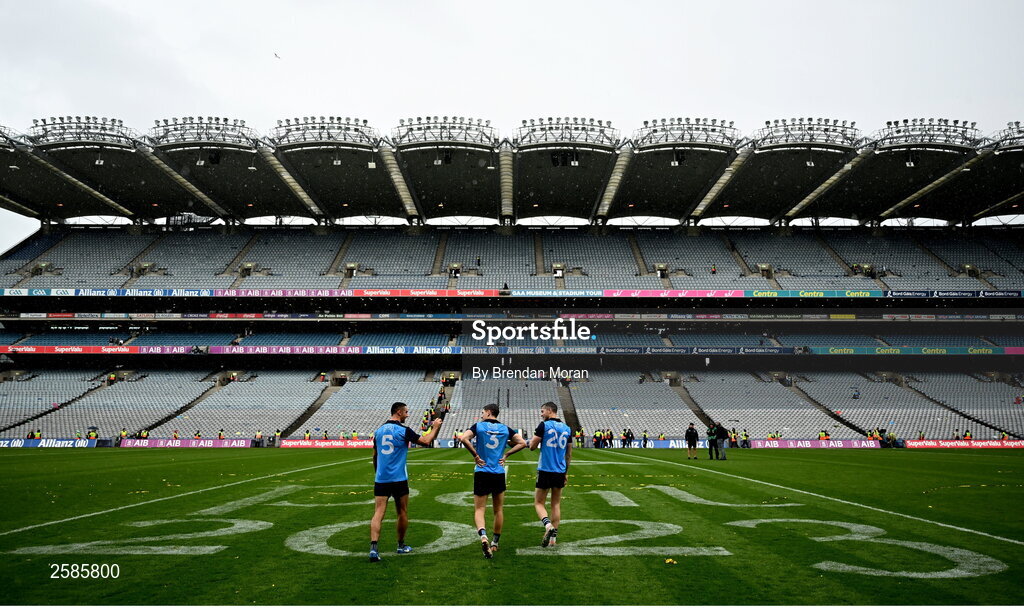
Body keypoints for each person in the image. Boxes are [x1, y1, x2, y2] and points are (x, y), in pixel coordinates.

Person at [369, 401, 445, 563]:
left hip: (381, 479)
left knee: (378, 513)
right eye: (406, 412)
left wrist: (378, 473)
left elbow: (374, 456)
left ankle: (374, 548)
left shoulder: (378, 431)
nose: (407, 415)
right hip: (398, 479)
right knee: (402, 512)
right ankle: (401, 545)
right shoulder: (403, 430)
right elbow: (425, 441)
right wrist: (436, 426)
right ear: (398, 412)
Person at [459, 403, 527, 558]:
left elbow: (463, 438)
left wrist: (475, 455)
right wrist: (507, 455)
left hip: (482, 471)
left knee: (479, 509)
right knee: (498, 510)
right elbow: (523, 443)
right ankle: (495, 543)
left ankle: (483, 537)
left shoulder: (479, 426)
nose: (482, 415)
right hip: (498, 472)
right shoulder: (505, 429)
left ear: (489, 412)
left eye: (483, 412)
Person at [530, 402, 571, 548]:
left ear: (549, 410)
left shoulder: (544, 425)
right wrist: (566, 473)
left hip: (546, 469)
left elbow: (532, 446)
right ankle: (553, 540)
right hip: (560, 470)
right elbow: (569, 454)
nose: (541, 414)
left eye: (542, 411)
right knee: (556, 503)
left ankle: (548, 526)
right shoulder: (567, 428)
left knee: (539, 502)